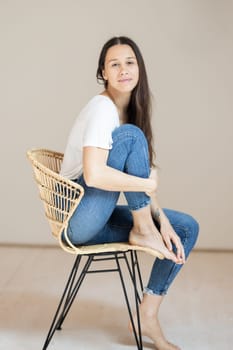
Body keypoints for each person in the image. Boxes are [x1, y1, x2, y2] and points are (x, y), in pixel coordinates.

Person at [60, 36, 199, 350]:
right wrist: (148, 187)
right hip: (78, 218)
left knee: (185, 228)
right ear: (103, 73)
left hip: (99, 215)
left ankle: (146, 315)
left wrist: (160, 218)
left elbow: (135, 181)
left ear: (140, 68)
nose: (123, 69)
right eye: (114, 64)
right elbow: (95, 174)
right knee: (131, 138)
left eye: (129, 62)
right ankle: (142, 229)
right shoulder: (102, 109)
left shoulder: (129, 116)